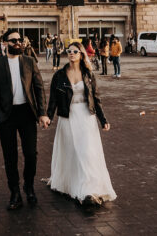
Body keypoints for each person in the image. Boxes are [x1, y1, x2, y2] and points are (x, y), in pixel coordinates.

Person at [46, 41, 116, 206]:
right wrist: (48, 117)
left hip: (86, 118)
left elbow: (96, 99)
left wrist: (103, 120)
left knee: (87, 152)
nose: (71, 54)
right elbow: (53, 99)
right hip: (67, 118)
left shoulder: (88, 74)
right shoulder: (60, 75)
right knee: (72, 153)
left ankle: (89, 190)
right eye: (69, 51)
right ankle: (73, 183)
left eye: (75, 51)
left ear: (81, 54)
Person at [0, 29, 50, 210]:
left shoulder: (29, 62)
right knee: (10, 156)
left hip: (27, 113)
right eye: (13, 40)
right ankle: (14, 193)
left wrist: (42, 113)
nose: (18, 43)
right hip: (6, 115)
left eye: (19, 40)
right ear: (5, 43)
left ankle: (28, 186)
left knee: (31, 154)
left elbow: (39, 89)